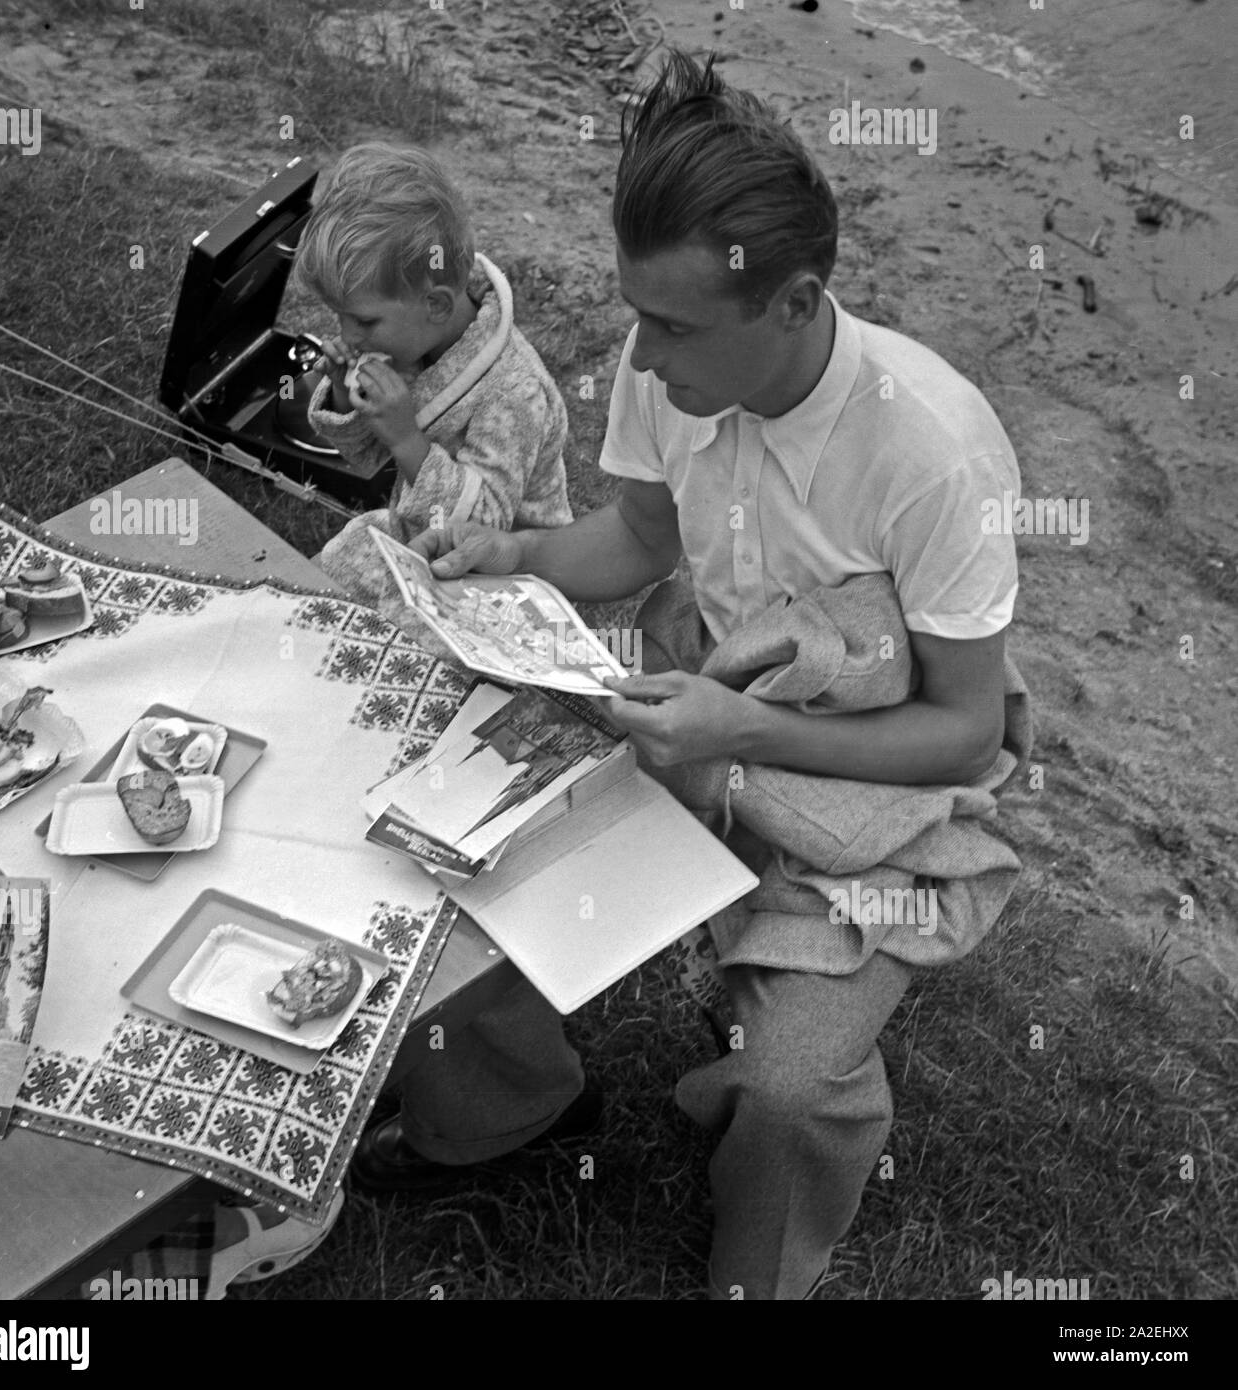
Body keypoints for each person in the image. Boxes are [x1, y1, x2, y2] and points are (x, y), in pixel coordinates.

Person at [349, 49, 1029, 1301]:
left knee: (786, 1090)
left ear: (793, 300)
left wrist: (742, 731)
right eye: (636, 315)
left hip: (873, 811)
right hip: (695, 700)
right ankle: (508, 1109)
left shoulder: (932, 456)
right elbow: (639, 544)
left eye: (671, 326)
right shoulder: (668, 363)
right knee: (443, 835)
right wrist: (502, 550)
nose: (641, 358)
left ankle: (752, 1274)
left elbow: (963, 734)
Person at [294, 141, 574, 608]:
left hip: (502, 576)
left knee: (403, 636)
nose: (347, 334)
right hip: (420, 530)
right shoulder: (422, 337)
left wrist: (406, 439)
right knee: (314, 587)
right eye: (340, 317)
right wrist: (348, 398)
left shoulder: (514, 391)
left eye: (363, 321)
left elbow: (487, 524)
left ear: (438, 304)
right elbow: (364, 459)